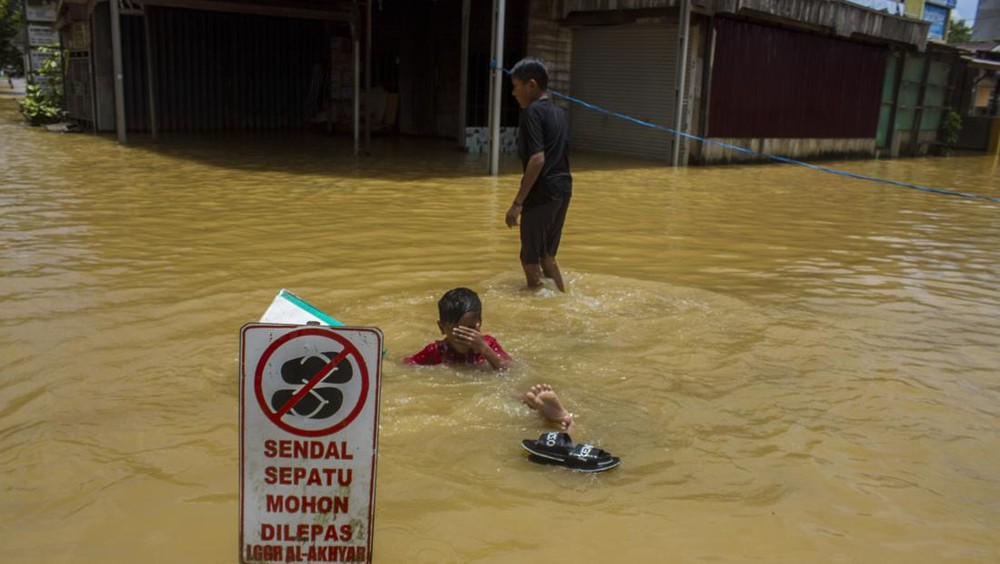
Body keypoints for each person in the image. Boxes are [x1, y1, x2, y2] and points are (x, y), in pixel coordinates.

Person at [505, 57, 573, 292]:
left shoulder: (531, 113)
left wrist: (517, 203)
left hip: (542, 192)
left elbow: (537, 159)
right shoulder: (558, 112)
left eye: (516, 86)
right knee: (547, 256)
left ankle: (540, 307)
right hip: (563, 189)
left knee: (529, 258)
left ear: (531, 85)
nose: (513, 92)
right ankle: (562, 299)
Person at [404, 287, 511, 370]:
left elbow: (509, 370)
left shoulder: (488, 344)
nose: (464, 337)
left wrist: (485, 350)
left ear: (479, 324)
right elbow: (407, 365)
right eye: (458, 332)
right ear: (442, 328)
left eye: (470, 329)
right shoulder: (436, 352)